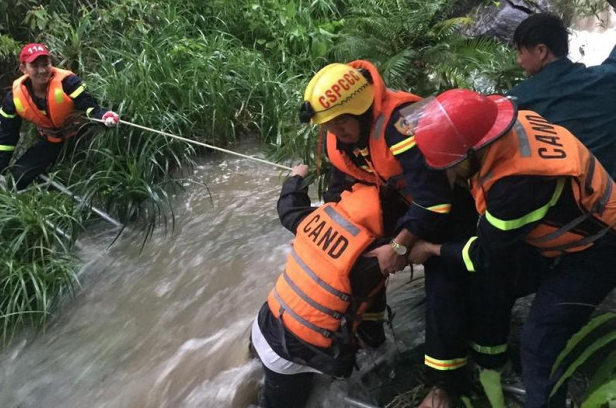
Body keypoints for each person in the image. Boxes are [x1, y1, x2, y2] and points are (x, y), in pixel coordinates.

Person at [405, 88, 616, 408]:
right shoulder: (509, 128)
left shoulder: (515, 185)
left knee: (540, 343)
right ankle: (497, 366)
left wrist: (432, 249)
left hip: (597, 247)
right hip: (569, 228)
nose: (449, 172)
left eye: (452, 165)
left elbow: (483, 255)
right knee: (494, 291)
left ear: (472, 152)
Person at [299, 61, 478, 404]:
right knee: (359, 253)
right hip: (404, 202)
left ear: (362, 108)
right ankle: (369, 336)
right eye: (330, 124)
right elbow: (341, 190)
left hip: (452, 204)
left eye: (342, 121)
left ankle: (445, 384)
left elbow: (436, 198)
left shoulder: (402, 123)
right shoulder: (339, 137)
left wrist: (400, 247)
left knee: (443, 280)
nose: (337, 130)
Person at [251, 164, 406, 408]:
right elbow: (409, 252)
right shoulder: (371, 258)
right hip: (289, 358)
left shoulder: (314, 219)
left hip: (264, 324)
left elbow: (287, 207)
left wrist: (296, 177)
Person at [0, 43, 119, 189]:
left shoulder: (68, 82)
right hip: (51, 141)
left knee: (97, 170)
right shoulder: (13, 99)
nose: (42, 70)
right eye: (34, 66)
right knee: (18, 178)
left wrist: (105, 116)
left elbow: (90, 107)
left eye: (46, 64)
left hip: (81, 135)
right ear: (23, 69)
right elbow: (7, 136)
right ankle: (46, 192)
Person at [509, 12, 616, 177]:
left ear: (541, 51)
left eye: (520, 52)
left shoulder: (518, 101)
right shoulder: (605, 78)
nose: (518, 60)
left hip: (571, 194)